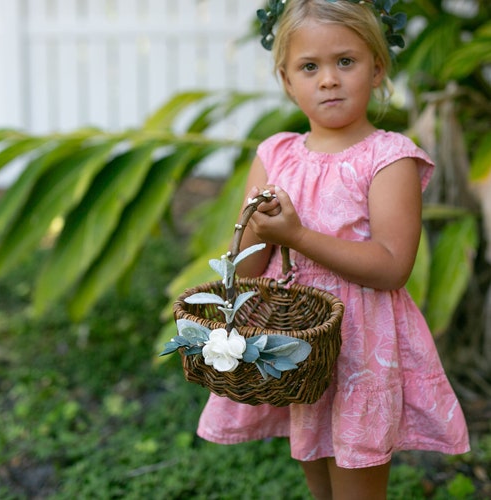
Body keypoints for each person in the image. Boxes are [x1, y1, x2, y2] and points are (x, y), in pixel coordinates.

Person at [196, 1, 470, 498]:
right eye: (309, 66)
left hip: (362, 345)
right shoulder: (275, 154)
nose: (328, 79)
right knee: (318, 470)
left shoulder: (389, 158)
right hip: (297, 341)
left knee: (356, 481)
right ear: (286, 80)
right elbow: (248, 266)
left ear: (377, 69)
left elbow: (391, 267)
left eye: (346, 61)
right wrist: (259, 230)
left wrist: (298, 237)